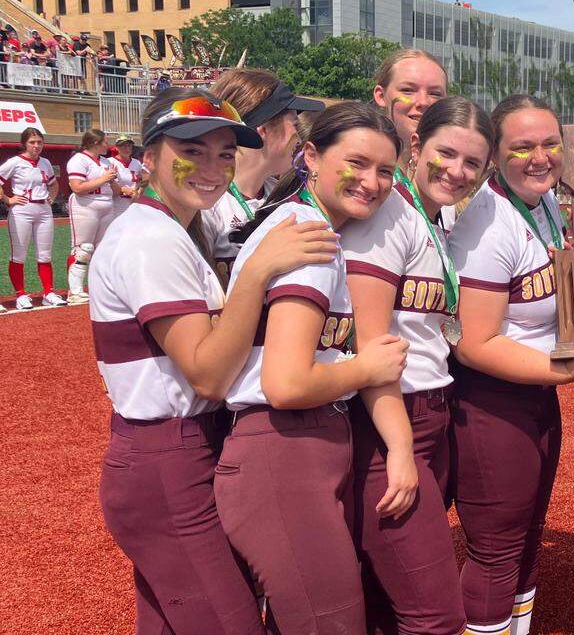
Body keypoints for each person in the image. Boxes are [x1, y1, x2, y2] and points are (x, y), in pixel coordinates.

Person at [90, 87, 338, 635]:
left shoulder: (183, 228)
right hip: (167, 455)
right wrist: (255, 274)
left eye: (225, 153)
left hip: (178, 448)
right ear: (148, 156)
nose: (212, 167)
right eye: (192, 151)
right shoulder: (150, 237)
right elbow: (206, 370)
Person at [214, 101, 409, 635]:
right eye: (358, 163)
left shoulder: (308, 226)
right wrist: (367, 367)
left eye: (386, 170)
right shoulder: (307, 234)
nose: (372, 181)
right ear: (311, 156)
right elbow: (288, 383)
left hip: (293, 451)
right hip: (282, 451)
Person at [447, 94, 574, 635]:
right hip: (491, 400)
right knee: (496, 549)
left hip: (534, 394)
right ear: (495, 155)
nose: (539, 157)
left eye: (549, 144)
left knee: (525, 537)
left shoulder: (543, 204)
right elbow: (473, 342)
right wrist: (562, 371)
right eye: (521, 147)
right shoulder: (487, 224)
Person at [341, 95, 493, 635]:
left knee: (387, 600)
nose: (456, 171)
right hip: (388, 421)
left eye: (472, 162)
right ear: (416, 146)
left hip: (432, 412)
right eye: (445, 153)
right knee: (436, 614)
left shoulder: (439, 217)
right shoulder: (385, 217)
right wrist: (400, 448)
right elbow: (370, 343)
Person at [204, 68, 323, 285]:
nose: (299, 137)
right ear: (264, 130)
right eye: (293, 124)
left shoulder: (285, 196)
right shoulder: (207, 203)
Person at [1, 127, 63, 308]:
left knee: (45, 254)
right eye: (32, 142)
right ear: (24, 144)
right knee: (19, 254)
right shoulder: (15, 162)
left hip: (43, 210)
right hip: (22, 209)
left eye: (39, 142)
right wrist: (8, 199)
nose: (36, 146)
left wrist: (51, 198)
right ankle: (20, 294)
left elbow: (54, 184)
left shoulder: (45, 162)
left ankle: (48, 292)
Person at [66, 128, 121, 304]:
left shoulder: (105, 161)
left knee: (103, 249)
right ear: (95, 143)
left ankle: (100, 287)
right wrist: (105, 178)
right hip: (86, 204)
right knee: (83, 248)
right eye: (105, 141)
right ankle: (74, 290)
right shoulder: (79, 160)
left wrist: (113, 181)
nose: (108, 145)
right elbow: (77, 187)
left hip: (106, 203)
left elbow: (114, 189)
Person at [372, 49, 448, 169]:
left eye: (435, 94)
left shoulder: (453, 172)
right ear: (381, 96)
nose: (423, 102)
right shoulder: (357, 164)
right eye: (407, 90)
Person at [109, 135, 145, 220]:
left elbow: (142, 180)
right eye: (123, 146)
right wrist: (122, 190)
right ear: (116, 147)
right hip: (117, 203)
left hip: (134, 202)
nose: (126, 148)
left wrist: (139, 192)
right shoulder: (110, 162)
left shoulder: (137, 163)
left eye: (129, 145)